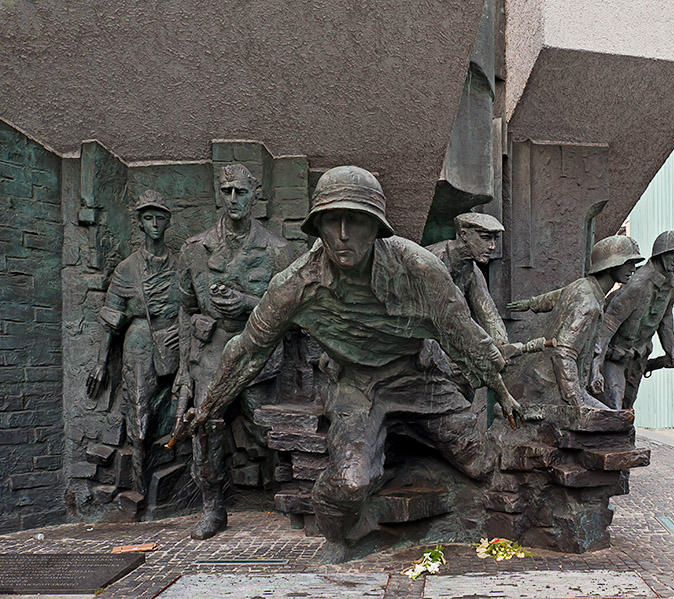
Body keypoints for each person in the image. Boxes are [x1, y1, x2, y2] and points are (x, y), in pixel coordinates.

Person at [179, 165, 521, 544]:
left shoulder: (420, 269)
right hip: (354, 384)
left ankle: (407, 469)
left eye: (355, 221)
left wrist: (501, 390)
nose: (343, 235)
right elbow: (245, 352)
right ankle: (349, 534)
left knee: (480, 459)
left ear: (376, 227)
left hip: (416, 377)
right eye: (331, 222)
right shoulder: (295, 284)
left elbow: (464, 333)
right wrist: (209, 406)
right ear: (317, 227)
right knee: (349, 483)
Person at [174, 163, 293, 539]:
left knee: (271, 425)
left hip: (256, 353)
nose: (233, 199)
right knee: (205, 427)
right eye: (226, 191)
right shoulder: (195, 250)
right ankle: (213, 507)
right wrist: (182, 367)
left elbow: (292, 311)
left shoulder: (277, 250)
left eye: (240, 192)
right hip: (211, 353)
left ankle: (299, 493)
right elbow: (185, 308)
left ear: (255, 195)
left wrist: (247, 303)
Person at [86, 190, 180, 497]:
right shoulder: (127, 268)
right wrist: (100, 363)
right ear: (140, 223)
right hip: (139, 340)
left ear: (168, 222)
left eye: (160, 218)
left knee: (180, 403)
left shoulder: (179, 264)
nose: (154, 224)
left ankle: (178, 473)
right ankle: (140, 483)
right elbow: (111, 318)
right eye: (148, 218)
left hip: (176, 338)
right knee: (139, 407)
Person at [506, 236, 643, 410]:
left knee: (613, 418)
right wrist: (577, 403)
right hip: (550, 388)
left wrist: (531, 303)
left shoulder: (584, 285)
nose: (633, 269)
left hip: (552, 379)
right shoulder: (589, 305)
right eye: (628, 262)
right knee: (615, 424)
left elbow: (556, 296)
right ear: (611, 265)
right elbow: (563, 354)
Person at [589, 230, 674, 410]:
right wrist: (596, 366)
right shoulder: (637, 284)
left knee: (628, 406)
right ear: (661, 254)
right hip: (615, 355)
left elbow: (665, 317)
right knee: (614, 407)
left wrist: (671, 349)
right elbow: (608, 325)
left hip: (638, 357)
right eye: (672, 253)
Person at [426, 212, 507, 345]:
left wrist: (504, 346)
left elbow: (488, 312)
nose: (492, 246)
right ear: (464, 235)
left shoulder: (472, 270)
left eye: (494, 239)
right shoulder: (434, 259)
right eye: (485, 238)